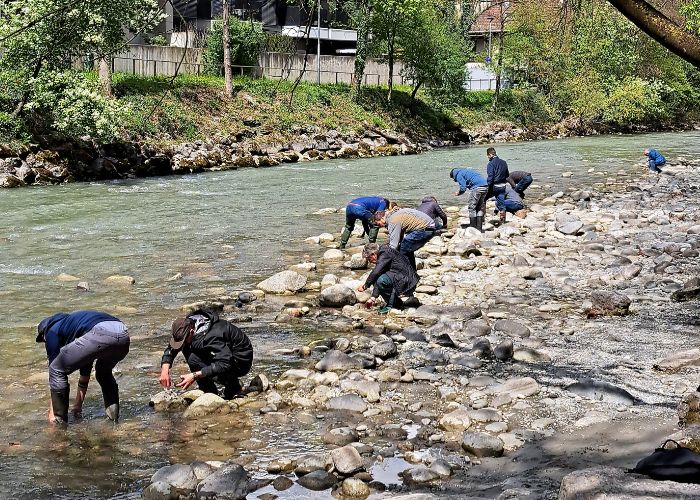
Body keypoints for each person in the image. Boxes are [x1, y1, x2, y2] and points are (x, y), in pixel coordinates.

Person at [36, 310, 130, 425]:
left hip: (100, 333)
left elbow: (55, 372)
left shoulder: (51, 330)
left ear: (43, 334)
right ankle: (114, 421)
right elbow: (85, 374)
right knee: (103, 373)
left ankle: (58, 422)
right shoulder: (76, 324)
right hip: (123, 334)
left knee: (56, 369)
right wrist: (77, 406)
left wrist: (52, 411)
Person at [160, 309, 253, 400]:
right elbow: (173, 347)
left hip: (240, 361)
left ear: (192, 332)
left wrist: (194, 375)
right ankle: (209, 391)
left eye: (183, 341)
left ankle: (232, 385)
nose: (182, 344)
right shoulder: (186, 324)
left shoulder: (212, 336)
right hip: (224, 353)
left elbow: (224, 363)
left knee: (192, 357)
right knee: (187, 348)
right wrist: (165, 370)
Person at [356, 243, 419, 314]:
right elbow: (378, 274)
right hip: (402, 276)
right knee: (378, 278)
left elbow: (376, 273)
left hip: (407, 280)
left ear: (373, 254)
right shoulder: (382, 253)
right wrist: (373, 298)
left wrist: (365, 285)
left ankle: (391, 306)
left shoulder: (385, 254)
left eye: (369, 259)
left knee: (382, 280)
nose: (369, 262)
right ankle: (397, 303)